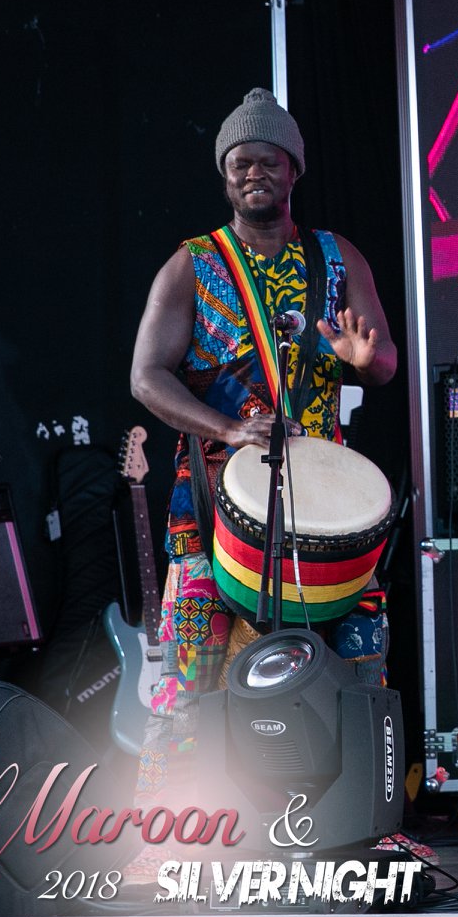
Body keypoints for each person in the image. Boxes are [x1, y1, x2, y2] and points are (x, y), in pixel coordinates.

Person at [128, 87, 397, 807]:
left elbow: (384, 362)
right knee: (190, 672)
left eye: (268, 161)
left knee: (361, 657)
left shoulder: (336, 259)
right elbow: (146, 377)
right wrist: (226, 431)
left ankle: (363, 814)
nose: (254, 173)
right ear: (225, 176)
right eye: (240, 162)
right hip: (212, 504)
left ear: (293, 170)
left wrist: (362, 358)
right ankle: (169, 827)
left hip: (326, 509)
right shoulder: (192, 264)